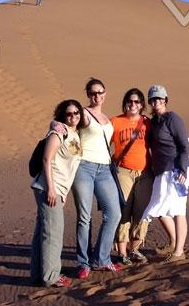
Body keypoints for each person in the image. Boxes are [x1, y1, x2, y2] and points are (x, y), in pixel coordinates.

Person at [71, 78, 122, 279]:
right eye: (92, 93)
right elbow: (71, 131)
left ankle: (101, 259)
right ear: (88, 95)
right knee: (85, 217)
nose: (96, 96)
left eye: (100, 92)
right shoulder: (83, 113)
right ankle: (83, 263)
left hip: (104, 170)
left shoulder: (107, 119)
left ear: (105, 93)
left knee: (114, 213)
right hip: (84, 168)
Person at [30, 99, 84, 288]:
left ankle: (38, 274)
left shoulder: (74, 134)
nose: (74, 116)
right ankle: (51, 276)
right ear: (63, 115)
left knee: (43, 232)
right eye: (69, 113)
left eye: (77, 112)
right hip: (48, 188)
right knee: (53, 233)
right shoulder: (58, 131)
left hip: (57, 189)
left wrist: (63, 191)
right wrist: (52, 189)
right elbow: (47, 159)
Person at [142, 85, 189, 264]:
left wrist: (183, 170)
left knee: (178, 210)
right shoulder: (154, 122)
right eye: (153, 99)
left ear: (165, 100)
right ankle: (173, 242)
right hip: (161, 172)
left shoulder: (173, 118)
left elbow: (184, 146)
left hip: (176, 170)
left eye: (159, 99)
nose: (156, 102)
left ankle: (179, 252)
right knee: (158, 208)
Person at [111, 88, 153, 266]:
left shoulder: (148, 123)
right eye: (130, 101)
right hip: (123, 171)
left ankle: (134, 248)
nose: (133, 105)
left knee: (142, 212)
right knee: (123, 211)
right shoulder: (115, 122)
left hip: (145, 173)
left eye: (137, 102)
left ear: (142, 104)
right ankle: (122, 252)